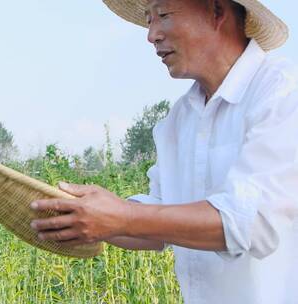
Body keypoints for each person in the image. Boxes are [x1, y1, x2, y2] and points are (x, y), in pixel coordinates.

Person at [29, 0, 298, 303]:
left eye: (163, 15)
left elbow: (253, 221)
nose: (152, 34)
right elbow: (159, 216)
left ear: (216, 11)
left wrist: (122, 217)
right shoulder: (179, 119)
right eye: (148, 20)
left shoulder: (283, 95)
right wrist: (84, 217)